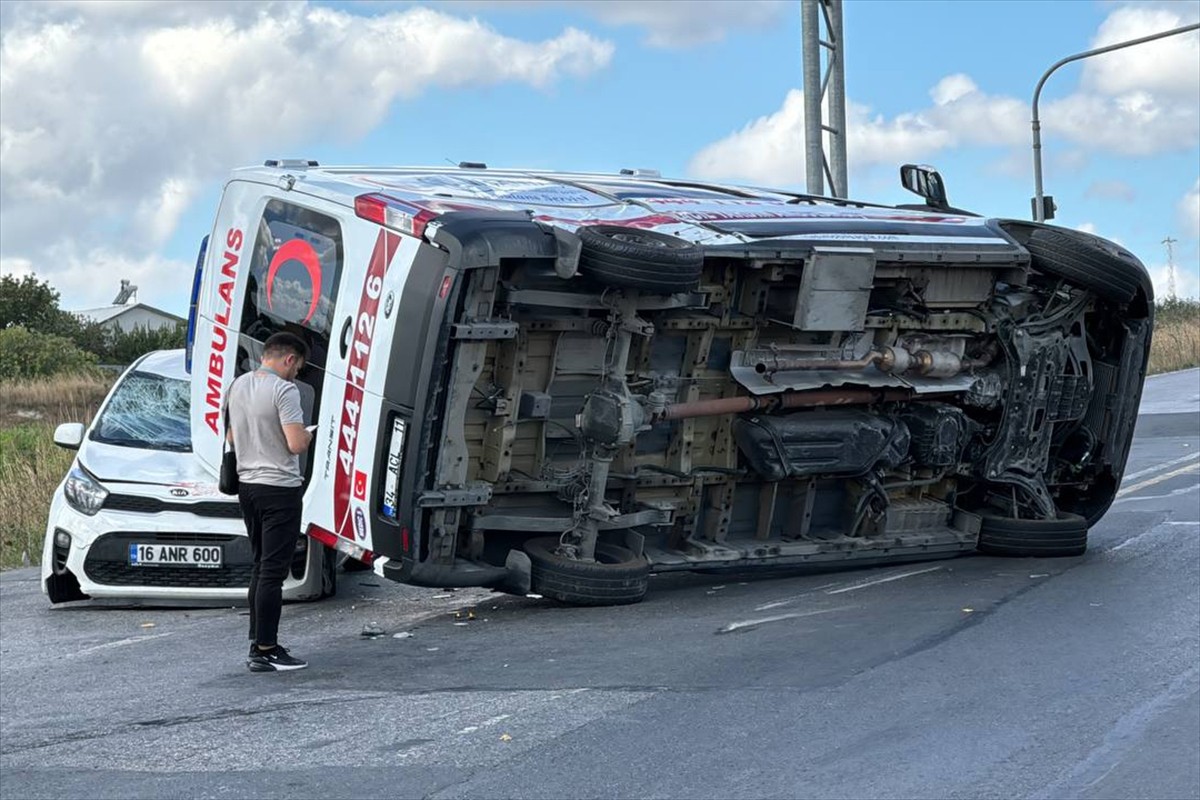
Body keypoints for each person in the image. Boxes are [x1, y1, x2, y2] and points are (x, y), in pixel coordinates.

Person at [226, 332, 313, 672]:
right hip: (279, 488)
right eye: (298, 367)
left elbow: (231, 436)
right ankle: (266, 649)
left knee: (260, 565)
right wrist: (306, 433)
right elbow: (295, 444)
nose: (296, 375)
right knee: (273, 573)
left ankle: (257, 639)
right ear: (289, 359)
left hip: (248, 487)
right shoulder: (284, 390)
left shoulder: (237, 385)